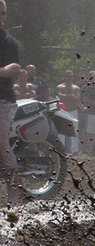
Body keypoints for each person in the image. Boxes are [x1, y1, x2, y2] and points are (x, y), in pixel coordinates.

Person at [0, 0, 22, 204]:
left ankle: (13, 193)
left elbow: (15, 67)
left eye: (4, 14)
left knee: (1, 143)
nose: (1, 18)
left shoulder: (9, 42)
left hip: (3, 99)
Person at [56, 69, 83, 154]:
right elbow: (60, 97)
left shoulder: (76, 87)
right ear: (64, 77)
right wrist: (71, 96)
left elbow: (78, 98)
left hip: (73, 110)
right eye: (67, 76)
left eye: (71, 76)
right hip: (63, 111)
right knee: (61, 132)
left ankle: (74, 150)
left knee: (75, 131)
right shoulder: (60, 87)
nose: (69, 78)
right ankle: (61, 150)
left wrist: (68, 97)